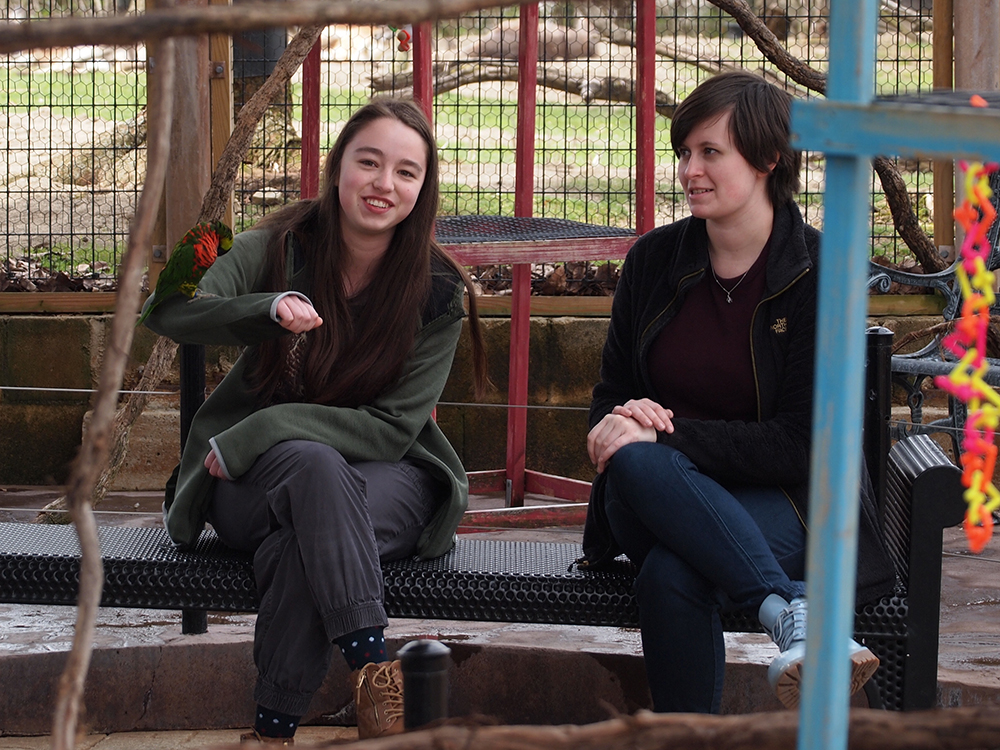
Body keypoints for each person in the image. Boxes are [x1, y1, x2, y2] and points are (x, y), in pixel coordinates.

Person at [143, 98, 488, 743]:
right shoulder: (273, 245)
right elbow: (165, 310)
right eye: (369, 162)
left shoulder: (438, 289)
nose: (385, 184)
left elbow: (390, 431)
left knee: (307, 530)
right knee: (311, 471)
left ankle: (272, 730)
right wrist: (265, 308)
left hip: (386, 474)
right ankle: (374, 671)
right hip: (255, 483)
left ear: (423, 189)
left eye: (407, 172)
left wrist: (265, 427)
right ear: (337, 169)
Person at [580, 71, 894, 713]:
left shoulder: (820, 273)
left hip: (785, 502)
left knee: (674, 571)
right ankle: (790, 614)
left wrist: (666, 432)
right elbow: (608, 408)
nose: (690, 170)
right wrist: (621, 427)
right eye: (684, 153)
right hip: (648, 495)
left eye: (710, 152)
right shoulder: (653, 263)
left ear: (768, 158)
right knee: (637, 460)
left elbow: (804, 445)